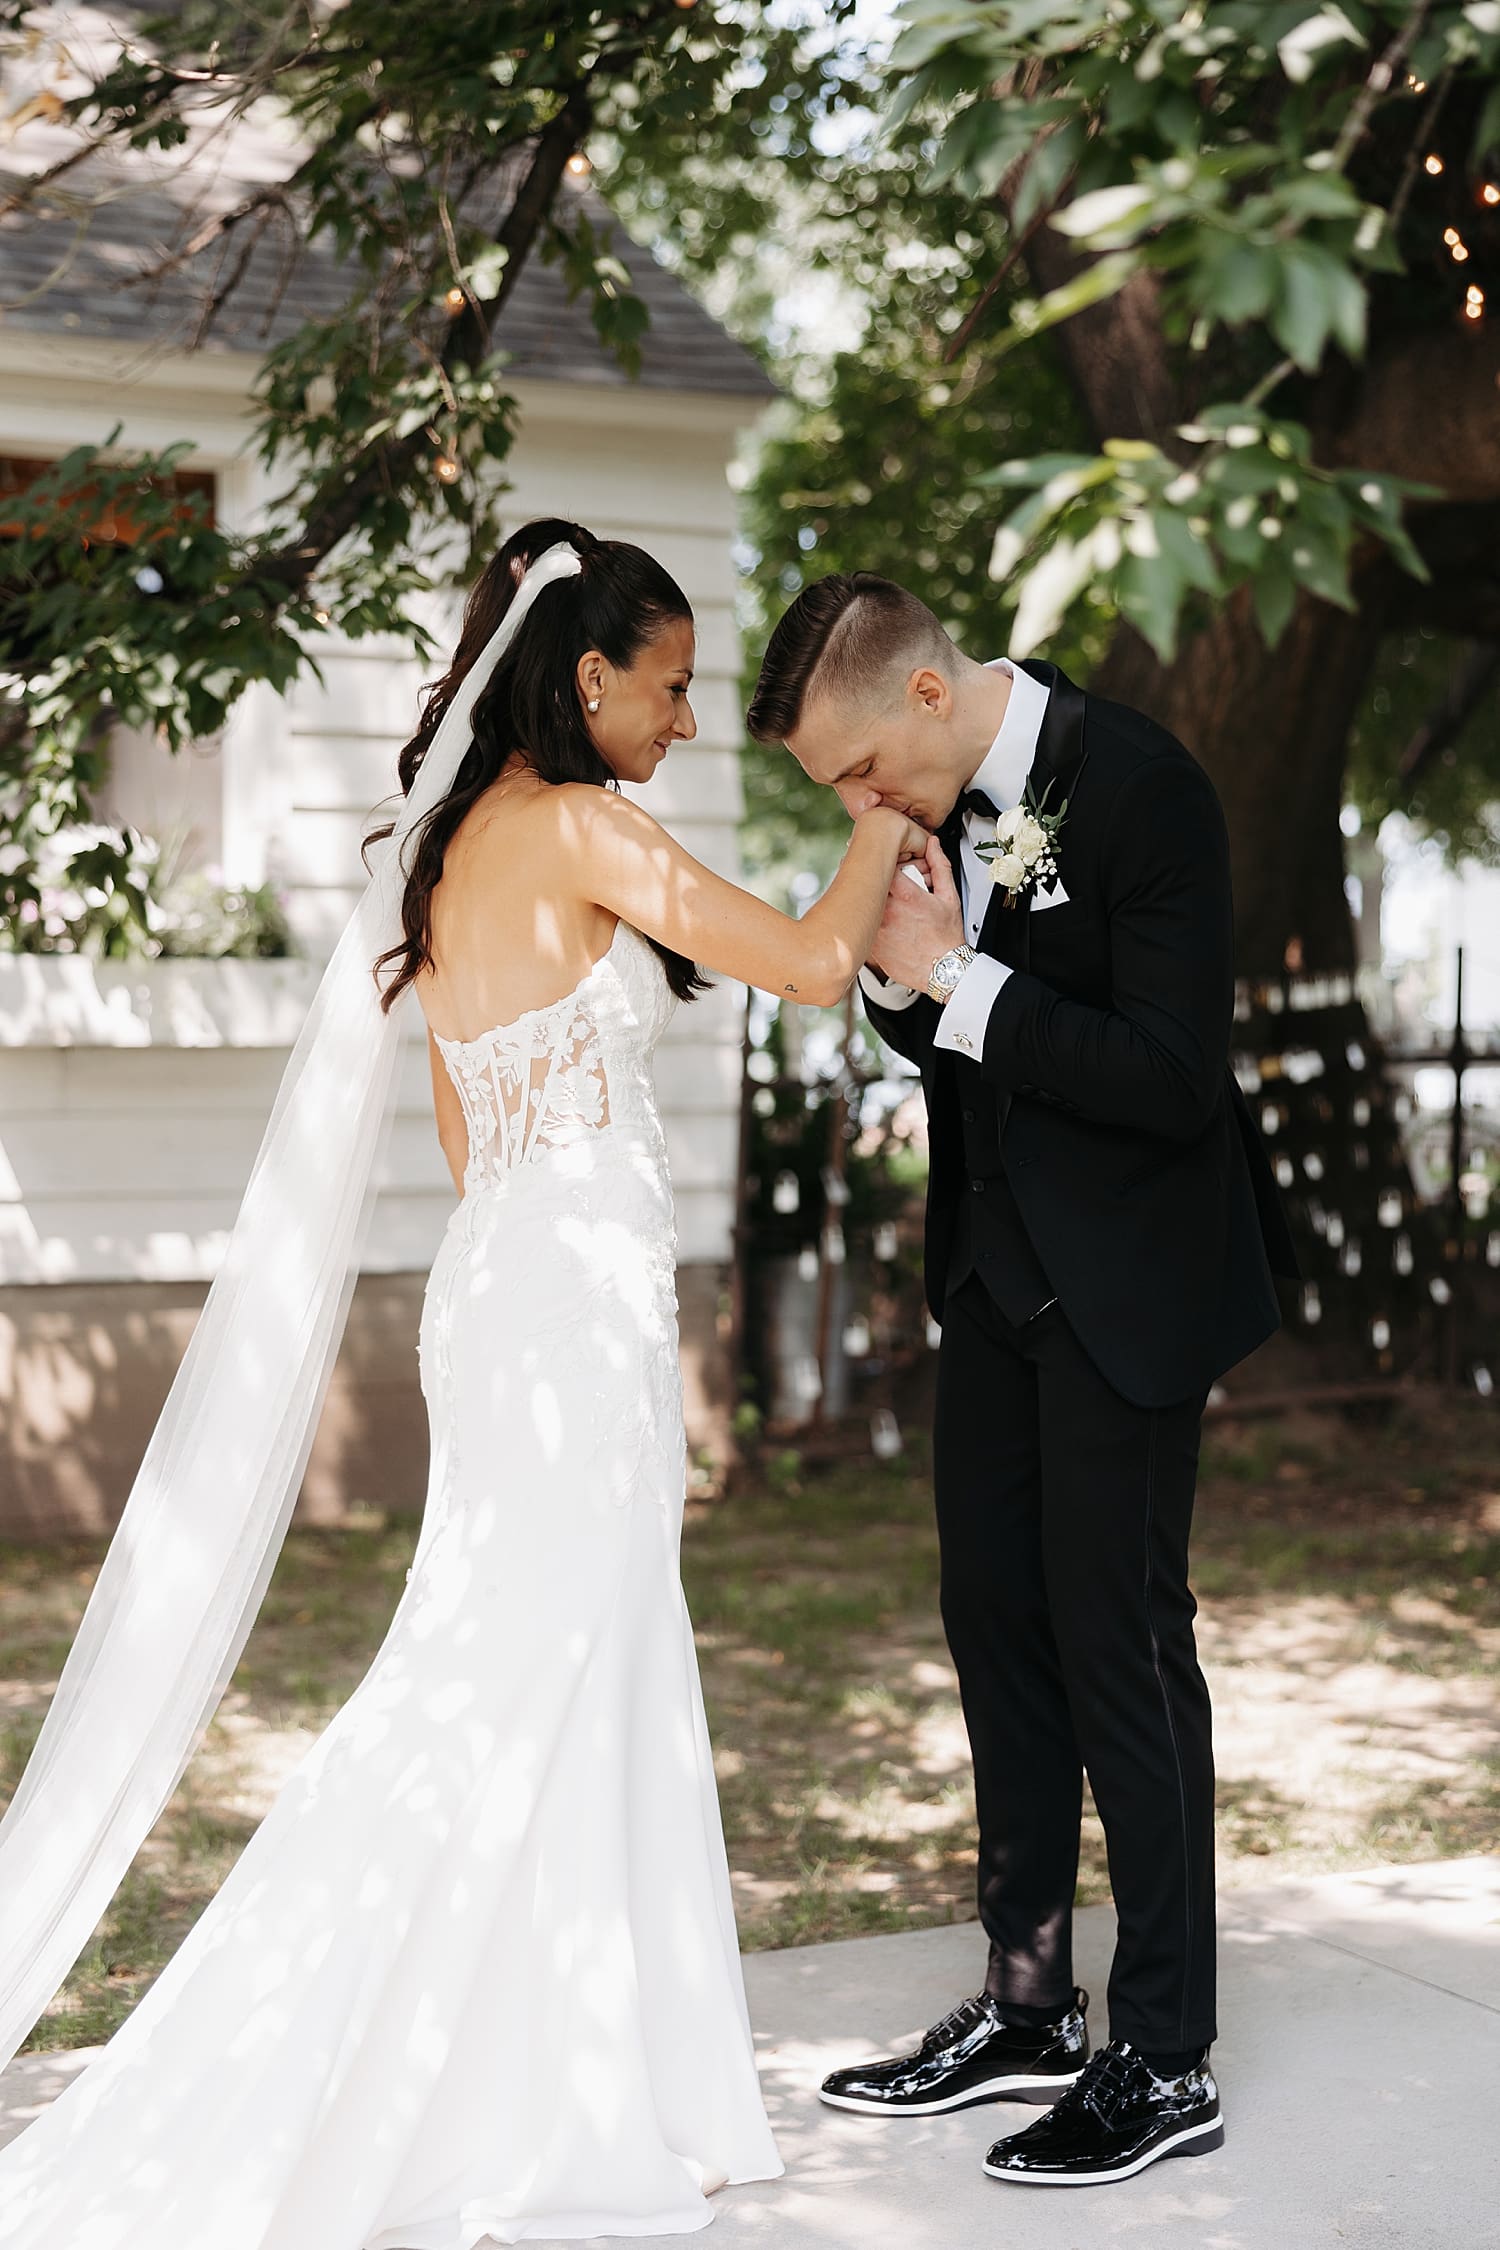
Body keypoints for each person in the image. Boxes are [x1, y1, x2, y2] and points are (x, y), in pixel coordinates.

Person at [0, 522, 929, 2247]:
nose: (685, 722)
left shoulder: (448, 866)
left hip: (500, 1288)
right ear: (586, 677)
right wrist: (884, 812)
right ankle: (555, 2082)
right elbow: (808, 963)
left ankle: (550, 2055)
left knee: (515, 1667)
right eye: (669, 686)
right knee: (549, 1666)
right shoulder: (582, 829)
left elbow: (461, 1129)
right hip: (572, 1305)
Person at [747, 570, 1298, 2190]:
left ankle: (1168, 2052)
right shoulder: (938, 804)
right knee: (996, 1623)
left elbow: (1174, 1075)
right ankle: (1031, 1995)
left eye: (857, 773)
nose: (859, 807)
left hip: (1130, 1294)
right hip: (991, 1287)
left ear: (926, 696)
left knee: (1121, 1646)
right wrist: (908, 970)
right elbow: (960, 1047)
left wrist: (963, 976)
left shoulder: (1144, 787)